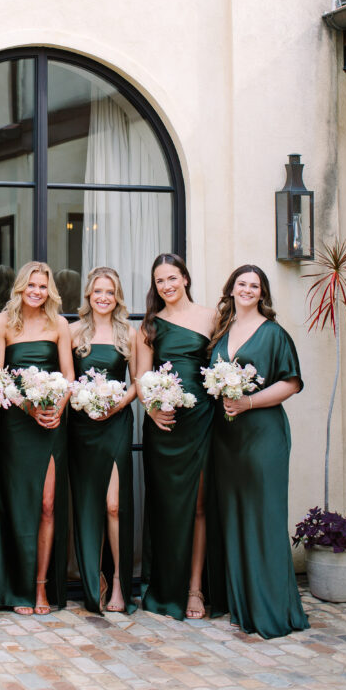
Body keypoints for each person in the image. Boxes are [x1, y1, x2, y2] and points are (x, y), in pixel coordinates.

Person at [207, 264, 309, 639]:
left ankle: (271, 608)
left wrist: (248, 403)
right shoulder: (222, 332)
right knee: (234, 517)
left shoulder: (274, 334)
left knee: (263, 517)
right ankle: (242, 604)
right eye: (242, 284)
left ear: (262, 293)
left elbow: (292, 383)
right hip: (227, 438)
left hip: (263, 436)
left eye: (255, 285)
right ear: (231, 289)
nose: (248, 290)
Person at [0, 261, 74, 615]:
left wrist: (55, 408)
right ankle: (18, 586)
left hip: (51, 424)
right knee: (19, 505)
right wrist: (27, 407)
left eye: (42, 286)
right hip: (18, 423)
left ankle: (40, 587)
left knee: (47, 504)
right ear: (20, 288)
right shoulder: (1, 323)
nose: (36, 292)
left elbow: (69, 376)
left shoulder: (60, 324)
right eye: (31, 286)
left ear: (49, 290)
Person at [136, 253, 215, 620]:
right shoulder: (150, 326)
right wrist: (152, 409)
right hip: (163, 426)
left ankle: (195, 590)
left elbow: (224, 363)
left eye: (172, 278)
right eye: (159, 281)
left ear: (185, 278)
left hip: (200, 421)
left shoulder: (210, 317)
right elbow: (140, 376)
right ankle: (164, 587)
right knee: (165, 508)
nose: (166, 286)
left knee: (198, 506)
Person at [68, 267, 137, 614]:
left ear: (117, 296)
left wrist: (115, 405)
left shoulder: (130, 334)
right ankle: (94, 579)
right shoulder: (73, 332)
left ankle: (121, 583)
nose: (103, 297)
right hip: (82, 425)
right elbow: (67, 379)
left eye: (110, 292)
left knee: (113, 506)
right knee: (88, 505)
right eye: (98, 291)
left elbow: (138, 383)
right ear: (89, 295)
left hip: (116, 422)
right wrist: (85, 402)